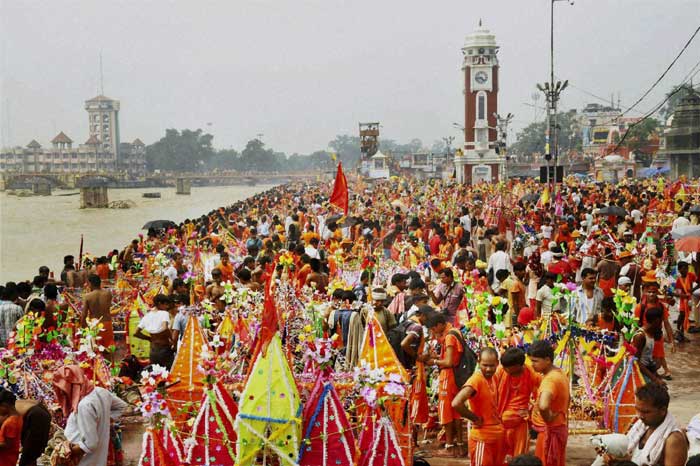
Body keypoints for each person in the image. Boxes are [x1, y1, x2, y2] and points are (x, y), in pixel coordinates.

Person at [52, 365, 127, 466]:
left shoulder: (84, 405)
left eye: (63, 388)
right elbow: (122, 406)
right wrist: (102, 421)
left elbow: (90, 444)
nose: (61, 392)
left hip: (84, 460)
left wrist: (67, 452)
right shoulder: (100, 391)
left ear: (73, 385)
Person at [452, 347, 505, 465]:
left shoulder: (494, 377)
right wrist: (474, 418)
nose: (488, 369)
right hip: (482, 437)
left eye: (492, 365)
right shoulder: (476, 380)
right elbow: (456, 403)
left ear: (497, 363)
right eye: (485, 365)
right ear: (478, 362)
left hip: (496, 435)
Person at [425, 313, 463, 457]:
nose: (434, 332)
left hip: (448, 376)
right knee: (457, 411)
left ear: (439, 325)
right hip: (456, 376)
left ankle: (449, 446)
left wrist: (433, 362)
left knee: (446, 411)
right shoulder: (455, 331)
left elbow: (448, 362)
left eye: (434, 329)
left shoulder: (449, 337)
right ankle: (459, 445)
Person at [624, 383, 688, 466]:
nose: (640, 416)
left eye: (646, 412)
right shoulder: (643, 426)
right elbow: (634, 457)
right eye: (638, 410)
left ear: (662, 410)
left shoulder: (673, 440)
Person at [528, 340, 569, 466]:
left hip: (548, 431)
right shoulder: (560, 373)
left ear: (547, 360)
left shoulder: (550, 380)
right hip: (558, 427)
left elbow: (543, 405)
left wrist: (548, 418)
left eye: (535, 361)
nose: (532, 365)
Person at [497, 347, 541, 461]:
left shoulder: (531, 374)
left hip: (521, 421)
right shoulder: (500, 371)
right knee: (499, 455)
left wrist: (531, 411)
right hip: (500, 420)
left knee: (520, 456)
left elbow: (541, 396)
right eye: (504, 366)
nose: (505, 369)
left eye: (508, 367)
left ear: (519, 365)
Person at [0, 388, 51, 466]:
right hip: (37, 411)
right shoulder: (11, 405)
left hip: (36, 415)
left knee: (28, 457)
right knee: (30, 456)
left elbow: (7, 443)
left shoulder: (7, 411)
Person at [135, 294, 175, 369]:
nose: (167, 307)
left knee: (155, 374)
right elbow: (165, 328)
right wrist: (172, 340)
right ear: (159, 303)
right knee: (167, 373)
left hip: (153, 350)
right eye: (165, 304)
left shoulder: (147, 316)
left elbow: (136, 333)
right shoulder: (164, 313)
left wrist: (149, 338)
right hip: (164, 349)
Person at [82, 274, 114, 352]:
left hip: (94, 325)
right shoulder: (108, 294)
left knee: (95, 351)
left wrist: (84, 330)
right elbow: (108, 308)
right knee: (108, 350)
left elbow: (84, 316)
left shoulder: (88, 296)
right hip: (107, 324)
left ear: (90, 283)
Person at [0, 389, 23, 466]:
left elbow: (7, 445)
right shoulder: (18, 417)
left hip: (5, 460)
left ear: (5, 405)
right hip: (10, 458)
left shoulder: (10, 423)